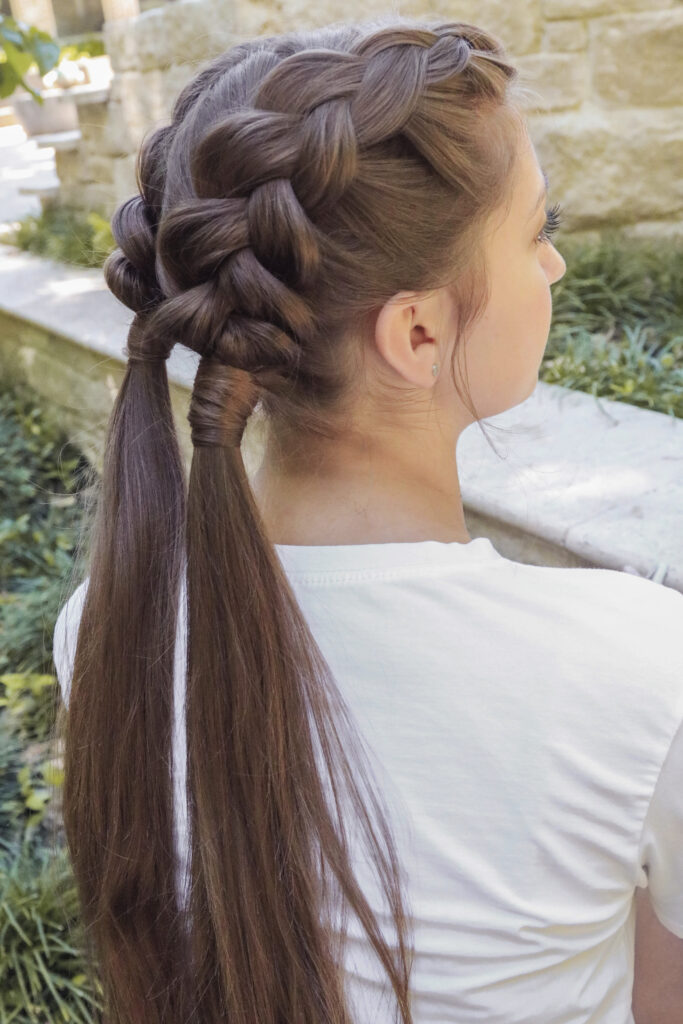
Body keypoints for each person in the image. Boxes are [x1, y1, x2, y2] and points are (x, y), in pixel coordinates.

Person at [51, 13, 683, 1024]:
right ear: (419, 329)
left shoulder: (105, 625)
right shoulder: (644, 671)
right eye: (535, 233)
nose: (552, 268)